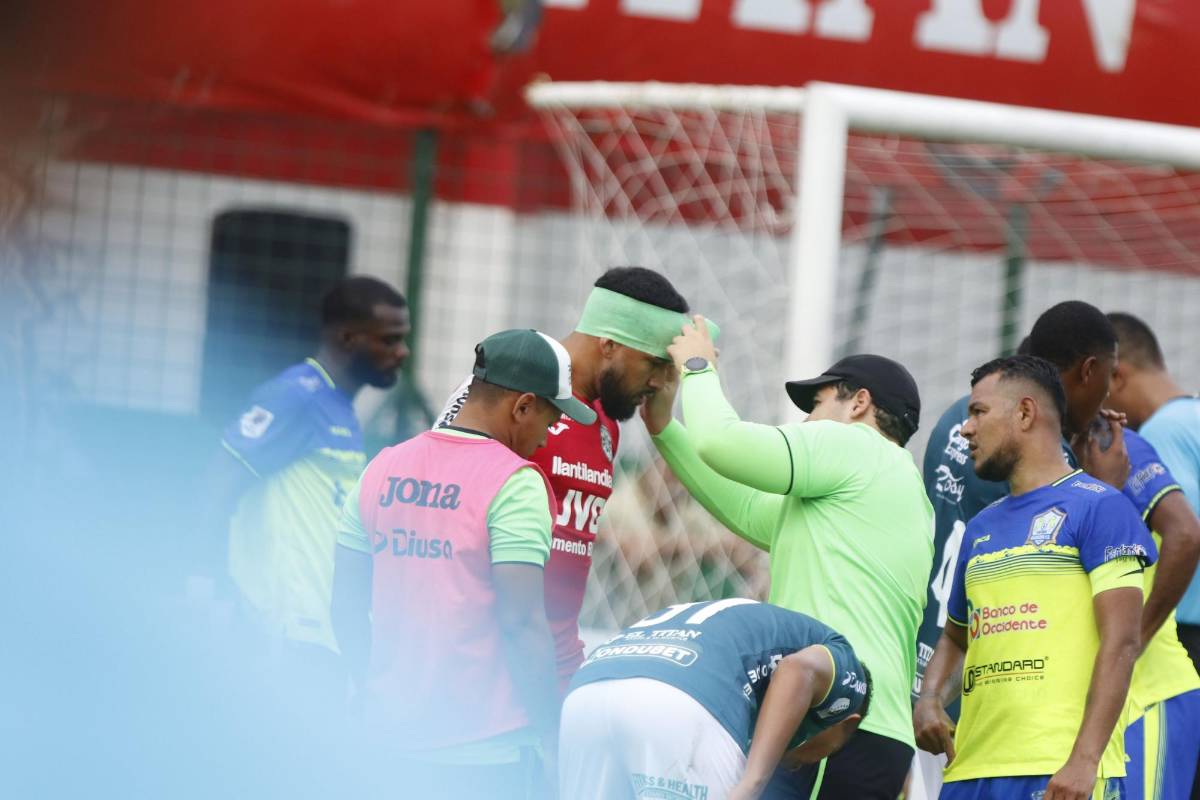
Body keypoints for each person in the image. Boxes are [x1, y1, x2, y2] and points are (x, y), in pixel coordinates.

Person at [641, 318, 933, 800]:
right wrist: (664, 428)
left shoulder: (855, 446)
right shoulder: (886, 488)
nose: (806, 422)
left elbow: (721, 441)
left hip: (831, 718)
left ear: (859, 403)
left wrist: (698, 366)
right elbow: (746, 508)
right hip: (873, 731)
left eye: (817, 405)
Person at [331, 329, 596, 799]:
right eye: (551, 420)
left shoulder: (382, 467)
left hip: (389, 745)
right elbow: (521, 624)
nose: (545, 439)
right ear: (522, 407)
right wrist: (551, 737)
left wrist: (372, 687)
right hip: (487, 754)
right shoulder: (515, 482)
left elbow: (345, 606)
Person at [436, 266, 712, 690]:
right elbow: (441, 511)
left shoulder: (606, 422)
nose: (660, 380)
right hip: (481, 672)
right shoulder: (512, 387)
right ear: (608, 345)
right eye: (654, 363)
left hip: (555, 665)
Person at [913, 302, 1130, 796]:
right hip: (965, 754)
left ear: (1025, 412)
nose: (967, 427)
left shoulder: (1098, 506)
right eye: (971, 413)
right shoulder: (985, 527)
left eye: (978, 414)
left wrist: (1084, 759)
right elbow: (957, 632)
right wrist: (929, 697)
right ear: (1088, 370)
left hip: (1050, 764)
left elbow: (1122, 640)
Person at [201, 275, 409, 673]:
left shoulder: (338, 405)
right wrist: (204, 583)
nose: (402, 352)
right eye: (389, 339)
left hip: (318, 630)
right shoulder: (296, 396)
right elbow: (220, 476)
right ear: (349, 339)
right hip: (285, 631)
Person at [559, 599, 872, 800]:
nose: (802, 763)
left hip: (586, 693)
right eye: (819, 756)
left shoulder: (747, 624)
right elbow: (798, 670)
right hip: (680, 698)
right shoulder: (847, 671)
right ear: (847, 724)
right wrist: (753, 782)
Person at [1106, 312, 1200, 666]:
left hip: (1187, 635)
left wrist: (1136, 639)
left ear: (1117, 375)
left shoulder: (1162, 432)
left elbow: (1184, 534)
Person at [1118, 427, 1200, 800]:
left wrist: (1134, 643)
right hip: (1099, 706)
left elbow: (1186, 535)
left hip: (1151, 697)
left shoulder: (1116, 443)